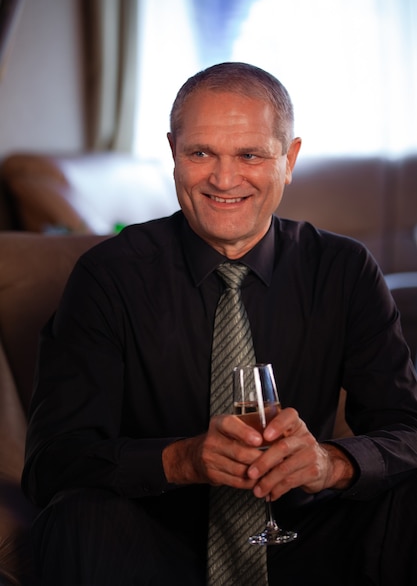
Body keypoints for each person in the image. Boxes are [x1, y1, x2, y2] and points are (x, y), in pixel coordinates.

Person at [22, 62, 417, 586]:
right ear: (173, 154)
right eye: (200, 152)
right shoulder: (108, 276)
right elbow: (52, 463)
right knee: (78, 517)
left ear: (289, 159)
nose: (223, 179)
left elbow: (407, 430)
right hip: (155, 547)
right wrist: (180, 460)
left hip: (306, 539)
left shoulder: (344, 269)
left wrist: (331, 463)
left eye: (250, 154)